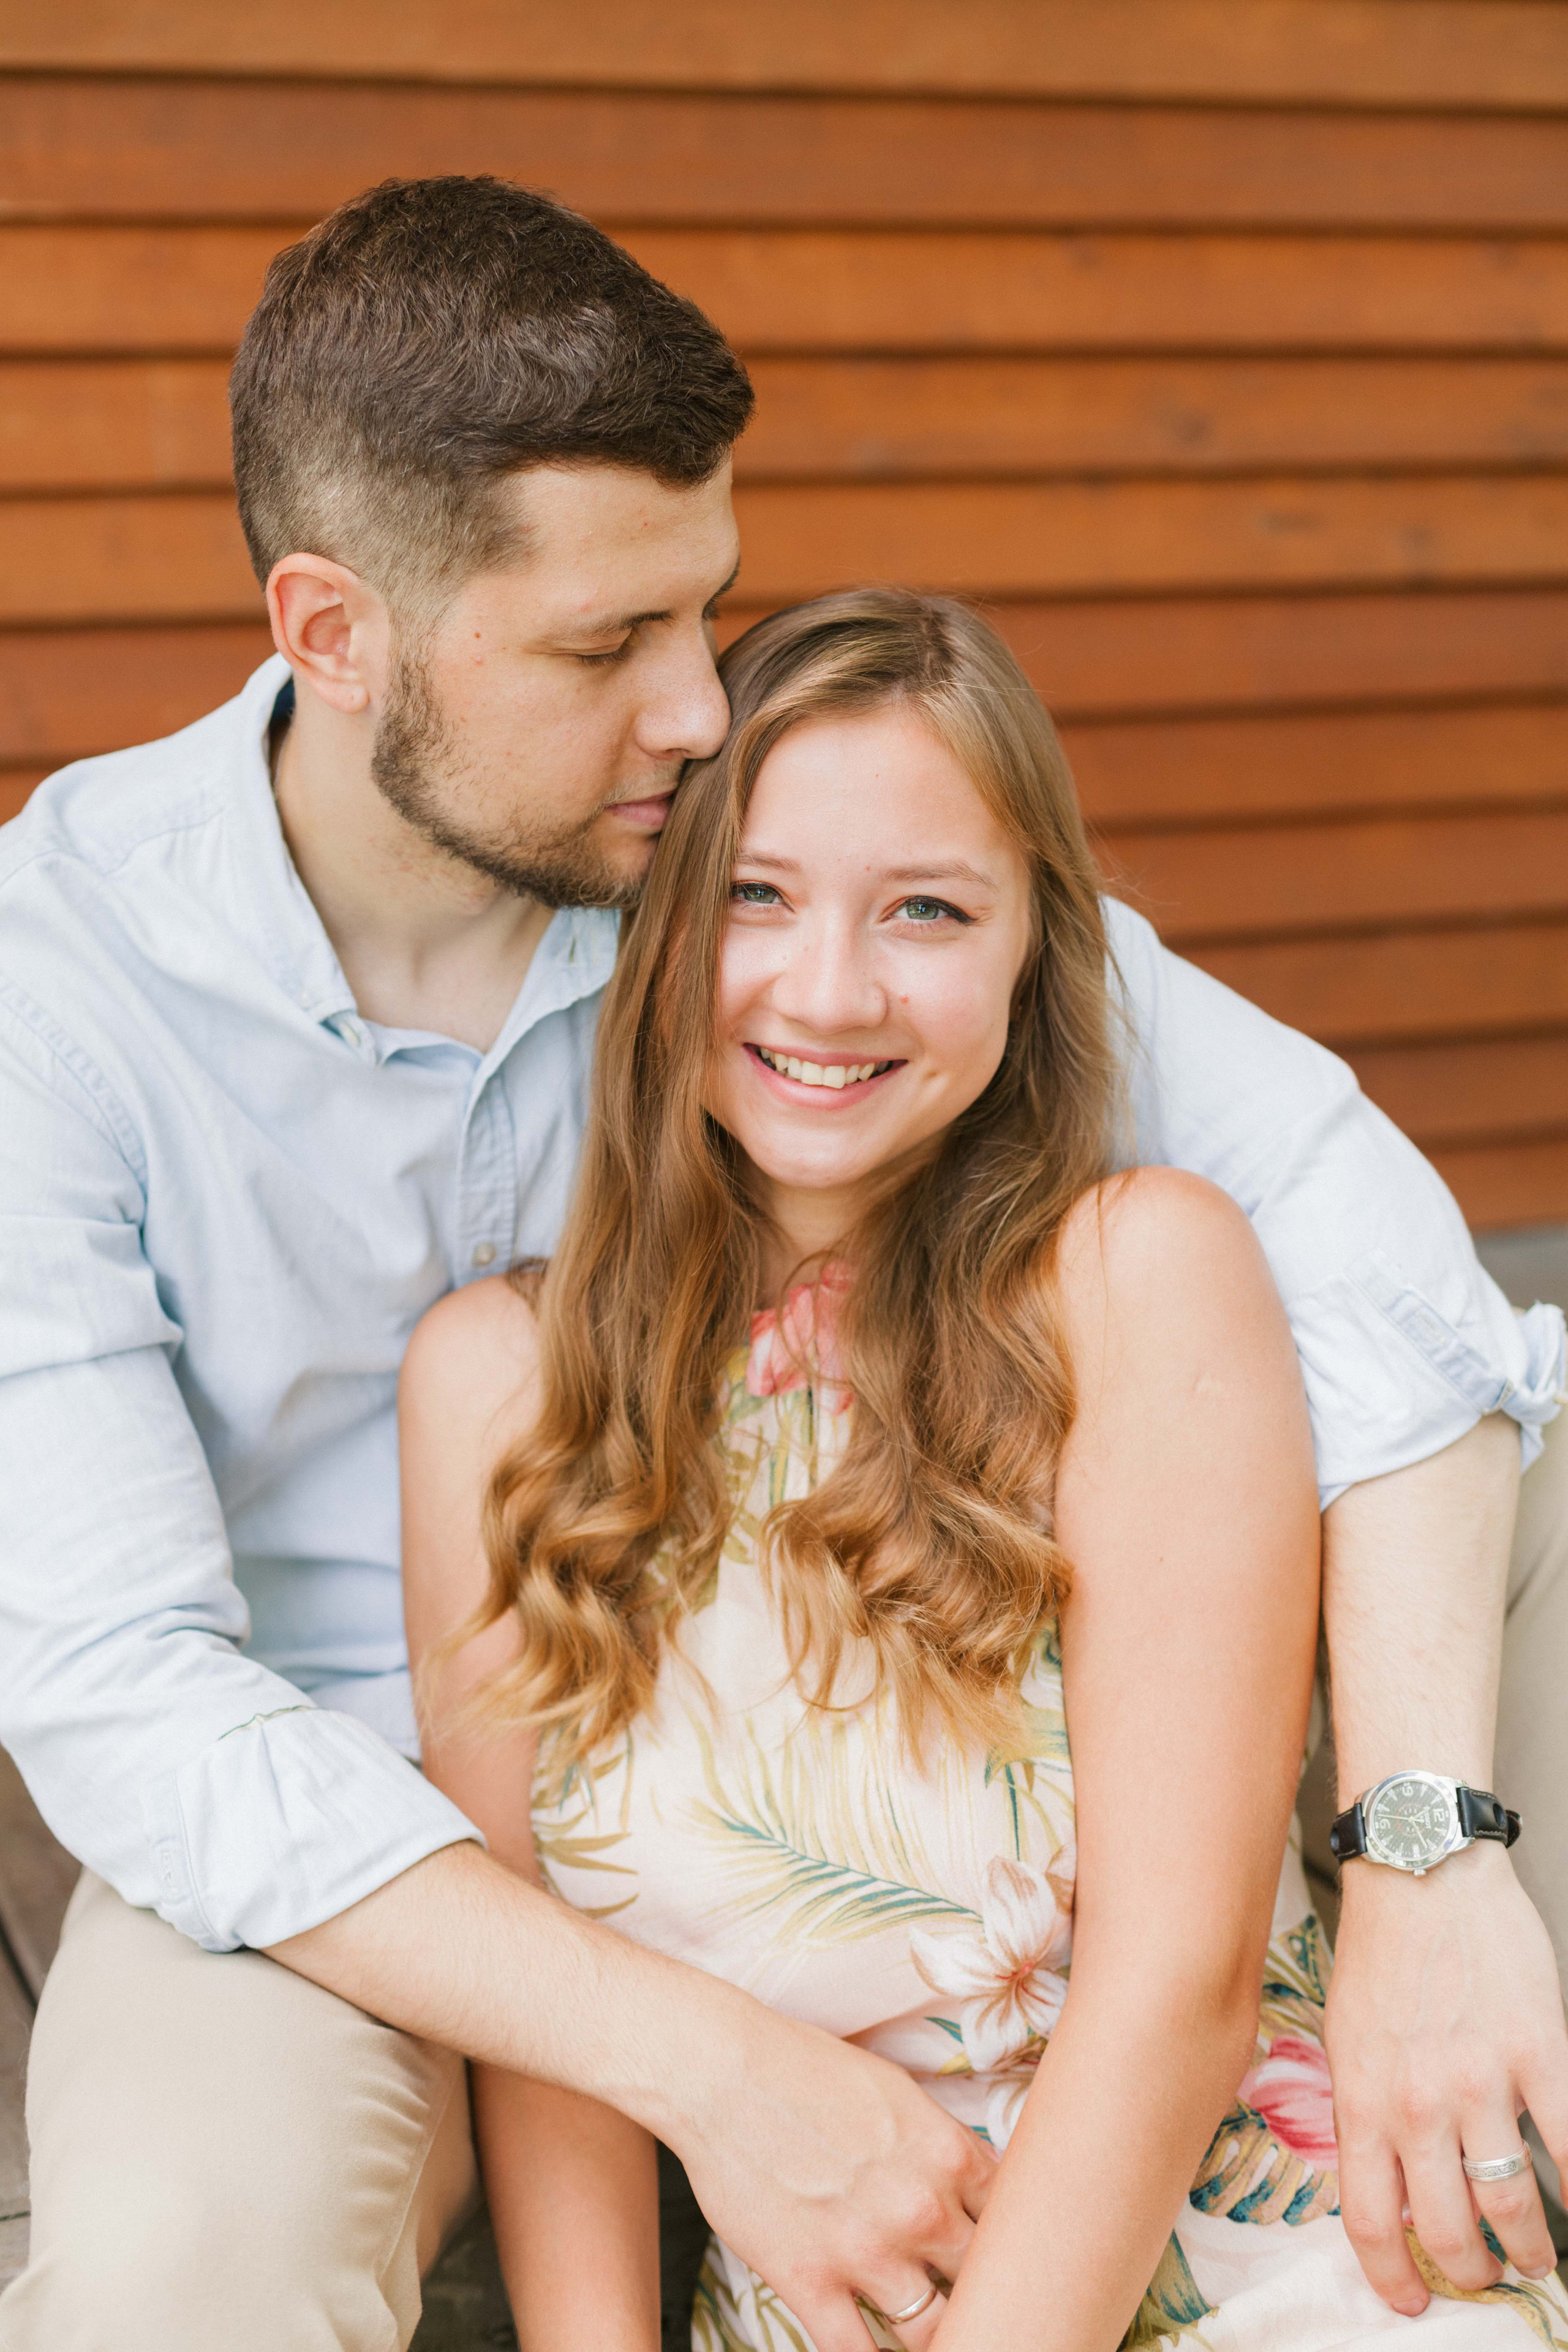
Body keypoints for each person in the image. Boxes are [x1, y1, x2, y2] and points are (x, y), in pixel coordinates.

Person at [0, 172, 1560, 2347]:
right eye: (603, 644)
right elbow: (125, 1703)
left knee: (1520, 1520)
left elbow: (1368, 1233)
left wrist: (1425, 1843)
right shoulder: (57, 998)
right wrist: (704, 2063)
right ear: (333, 635)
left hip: (890, 1683)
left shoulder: (736, 841)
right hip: (319, 1834)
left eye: (701, 613)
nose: (697, 711)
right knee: (184, 2250)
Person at [398, 586, 1568, 2351]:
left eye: (927, 911)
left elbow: (1177, 1988)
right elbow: (552, 2036)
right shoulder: (494, 1387)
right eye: (756, 898)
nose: (830, 990)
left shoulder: (1133, 1282)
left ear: (1037, 951)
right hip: (825, 2300)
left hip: (1261, 2257)